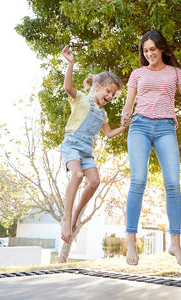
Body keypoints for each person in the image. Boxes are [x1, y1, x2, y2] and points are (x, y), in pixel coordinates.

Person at [121, 30, 181, 269]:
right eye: (145, 51)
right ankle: (131, 242)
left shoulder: (176, 73)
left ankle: (175, 243)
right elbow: (129, 105)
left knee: (173, 184)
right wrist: (126, 116)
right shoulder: (137, 74)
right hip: (140, 126)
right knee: (138, 180)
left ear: (162, 49)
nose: (149, 54)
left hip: (167, 127)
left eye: (152, 50)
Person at [59, 46, 130, 244]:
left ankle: (75, 214)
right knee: (77, 174)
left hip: (87, 151)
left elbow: (108, 134)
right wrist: (71, 63)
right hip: (72, 144)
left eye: (113, 95)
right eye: (109, 91)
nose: (110, 96)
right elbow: (67, 88)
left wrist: (124, 127)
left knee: (95, 182)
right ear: (97, 86)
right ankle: (66, 218)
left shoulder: (103, 114)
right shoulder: (81, 99)